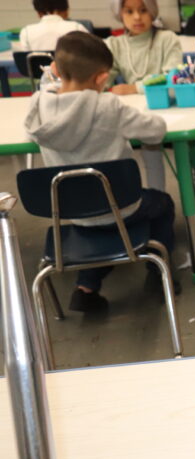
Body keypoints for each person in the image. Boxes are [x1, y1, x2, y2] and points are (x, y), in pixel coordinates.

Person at [25, 31, 179, 313]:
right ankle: (159, 273)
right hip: (123, 208)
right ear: (101, 78)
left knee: (100, 223)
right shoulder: (108, 106)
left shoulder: (37, 107)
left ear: (55, 70)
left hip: (71, 212)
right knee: (163, 204)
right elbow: (155, 130)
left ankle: (86, 287)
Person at [106, 0, 182, 192]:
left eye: (143, 10)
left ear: (153, 11)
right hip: (129, 111)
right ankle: (122, 204)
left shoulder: (167, 38)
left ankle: (159, 200)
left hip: (165, 110)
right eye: (129, 11)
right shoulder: (114, 44)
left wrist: (135, 88)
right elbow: (102, 78)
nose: (137, 17)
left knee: (151, 146)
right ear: (120, 14)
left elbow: (172, 78)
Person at [19, 0, 88, 51]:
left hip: (39, 70)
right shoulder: (77, 28)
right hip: (70, 70)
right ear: (66, 11)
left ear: (39, 13)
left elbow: (25, 60)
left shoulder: (26, 32)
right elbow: (91, 55)